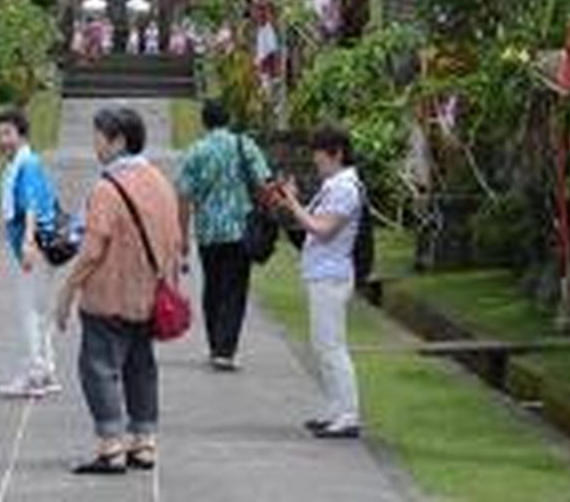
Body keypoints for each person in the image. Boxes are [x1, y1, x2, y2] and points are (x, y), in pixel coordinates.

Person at [57, 107, 182, 475]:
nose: (94, 145)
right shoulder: (160, 181)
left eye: (98, 137)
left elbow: (93, 249)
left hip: (108, 296)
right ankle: (143, 444)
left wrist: (67, 290)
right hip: (148, 296)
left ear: (118, 141)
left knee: (98, 368)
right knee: (140, 368)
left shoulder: (107, 188)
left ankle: (110, 445)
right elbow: (173, 239)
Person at [276, 124, 364, 439]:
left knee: (332, 347)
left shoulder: (345, 188)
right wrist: (294, 202)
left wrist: (294, 204)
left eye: (320, 156)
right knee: (323, 346)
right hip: (323, 274)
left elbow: (322, 229)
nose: (316, 162)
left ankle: (348, 414)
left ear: (336, 153)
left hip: (331, 275)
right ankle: (336, 409)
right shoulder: (334, 184)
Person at [176, 100, 272, 371]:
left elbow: (183, 196)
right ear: (228, 119)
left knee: (213, 287)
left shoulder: (195, 151)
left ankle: (215, 344)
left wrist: (182, 236)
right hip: (240, 230)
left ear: (204, 122)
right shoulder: (244, 145)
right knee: (235, 289)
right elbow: (264, 182)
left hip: (207, 232)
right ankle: (225, 349)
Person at [0, 108, 63, 398]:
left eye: (8, 132)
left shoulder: (27, 164)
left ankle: (35, 373)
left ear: (21, 135)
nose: (1, 139)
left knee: (30, 312)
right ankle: (45, 369)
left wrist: (28, 242)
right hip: (36, 245)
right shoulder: (17, 165)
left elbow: (32, 204)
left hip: (33, 246)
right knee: (40, 310)